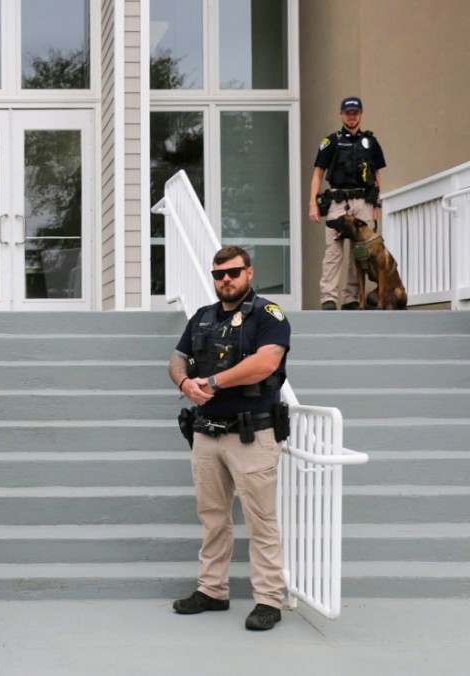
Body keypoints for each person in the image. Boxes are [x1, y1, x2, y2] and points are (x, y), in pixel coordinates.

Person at [168, 245, 291, 631]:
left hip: (251, 434)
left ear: (249, 274)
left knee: (261, 521)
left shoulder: (268, 316)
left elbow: (266, 362)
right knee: (213, 518)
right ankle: (212, 590)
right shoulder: (202, 317)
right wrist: (186, 382)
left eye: (233, 273)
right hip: (206, 434)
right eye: (219, 274)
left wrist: (214, 381)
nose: (225, 280)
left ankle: (269, 599)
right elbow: (176, 359)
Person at [309, 96, 387, 311]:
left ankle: (352, 298)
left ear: (360, 114)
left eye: (355, 113)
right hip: (338, 201)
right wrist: (313, 204)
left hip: (363, 201)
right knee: (334, 251)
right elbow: (318, 174)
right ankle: (328, 297)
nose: (352, 117)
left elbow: (377, 174)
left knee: (359, 252)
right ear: (341, 115)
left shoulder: (370, 142)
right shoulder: (331, 141)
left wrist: (377, 206)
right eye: (348, 113)